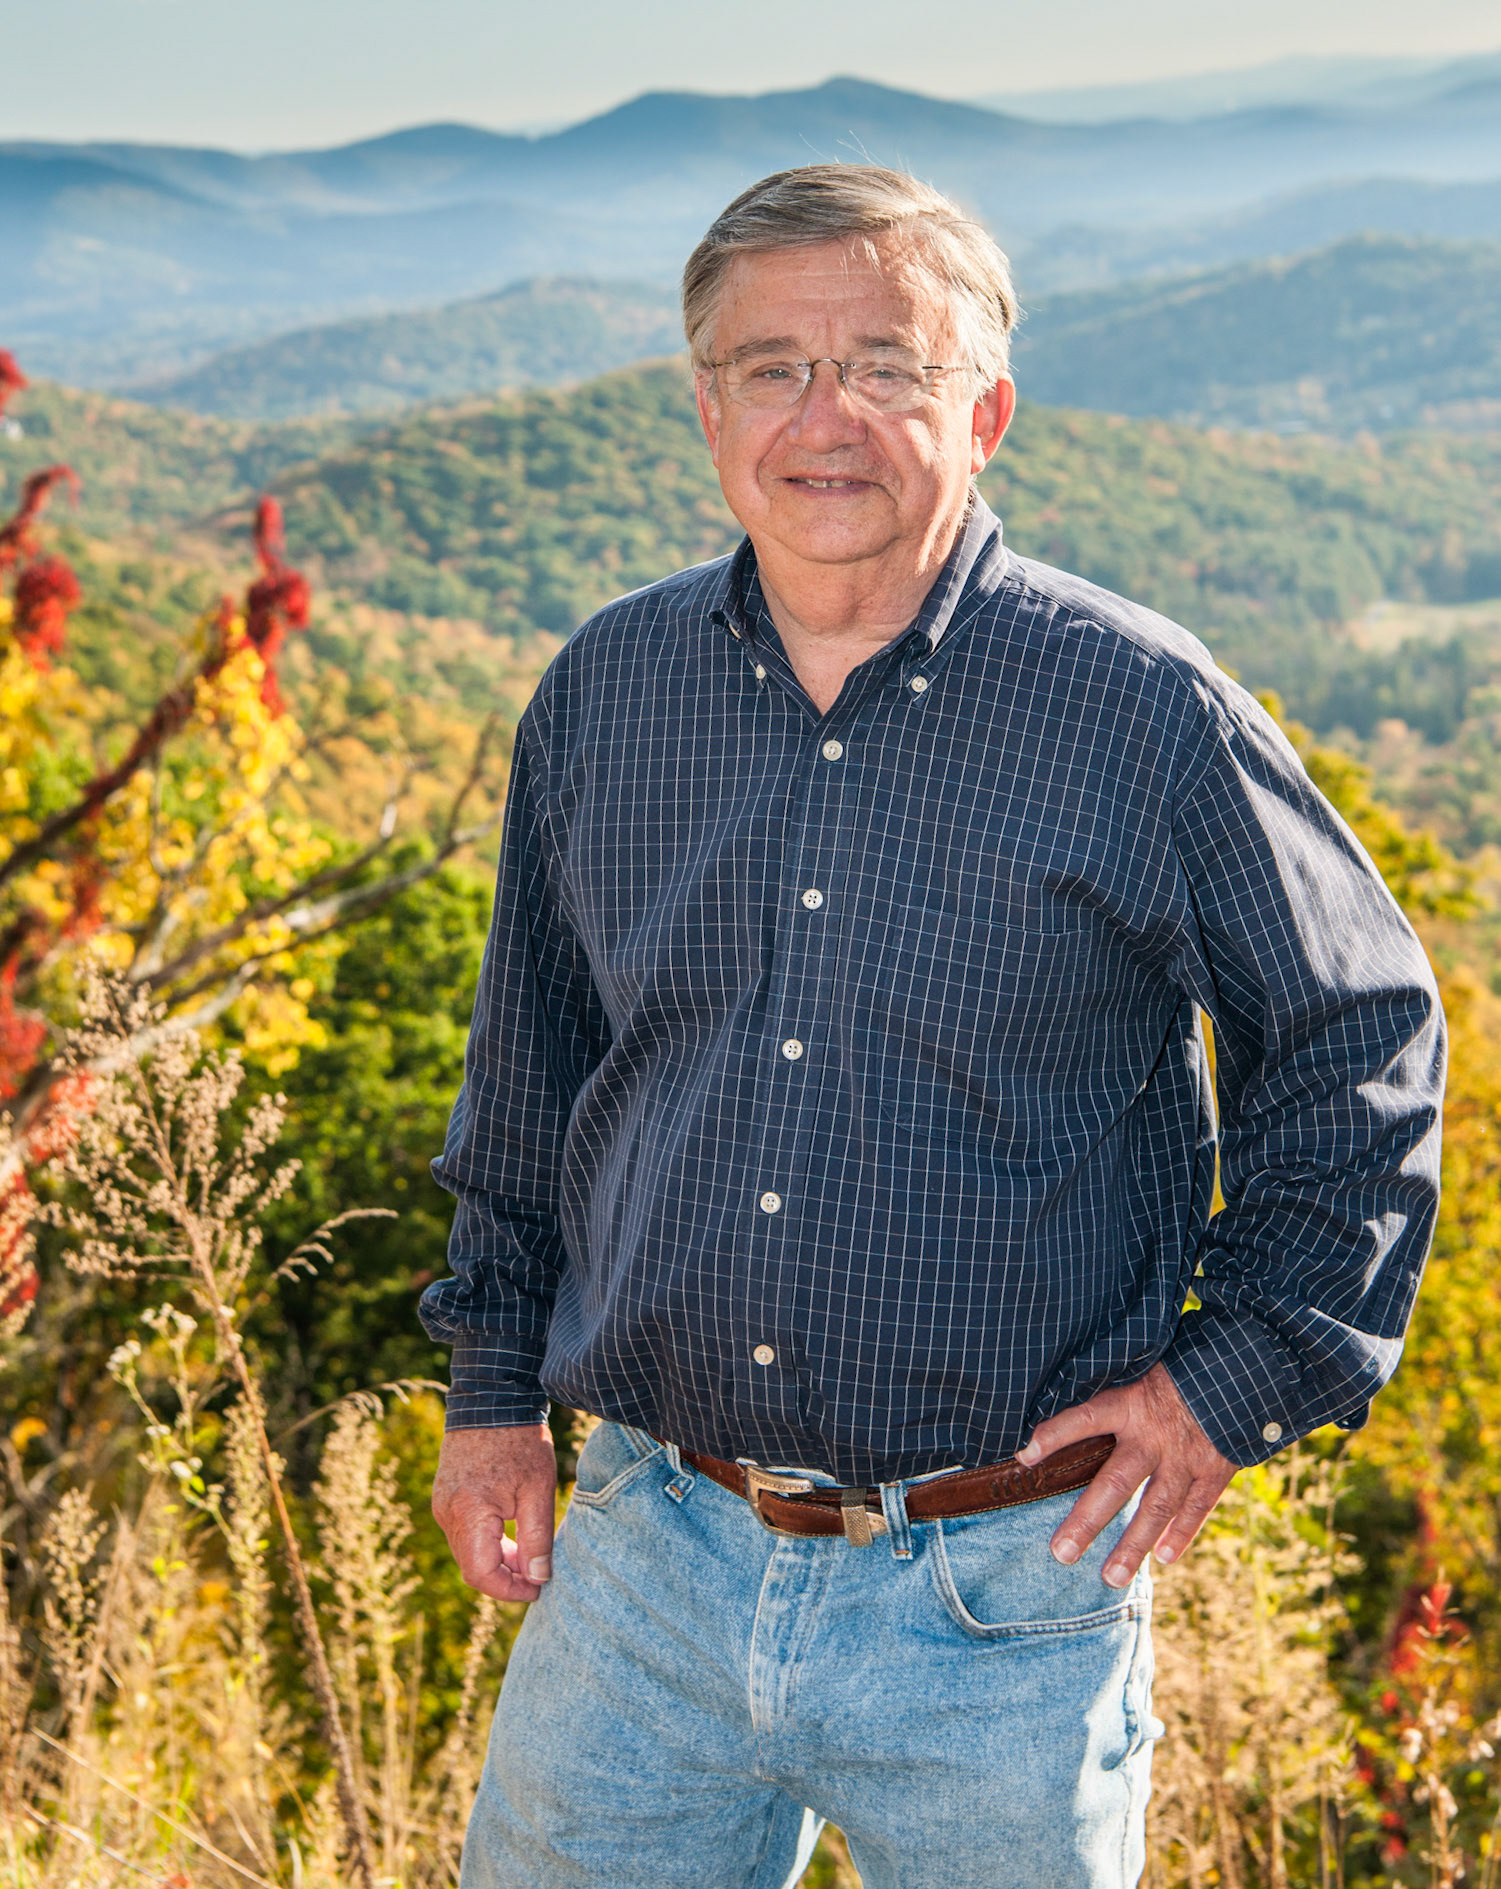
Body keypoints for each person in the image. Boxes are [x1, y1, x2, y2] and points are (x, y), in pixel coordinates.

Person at [419, 164, 1444, 1888]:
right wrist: (489, 1389)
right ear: (705, 409)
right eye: (770, 368)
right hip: (648, 1559)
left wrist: (1230, 1379)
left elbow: (1364, 1041)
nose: (824, 417)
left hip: (1001, 1601)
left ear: (984, 406)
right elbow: (531, 1066)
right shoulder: (609, 691)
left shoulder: (1137, 712)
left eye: (884, 364)